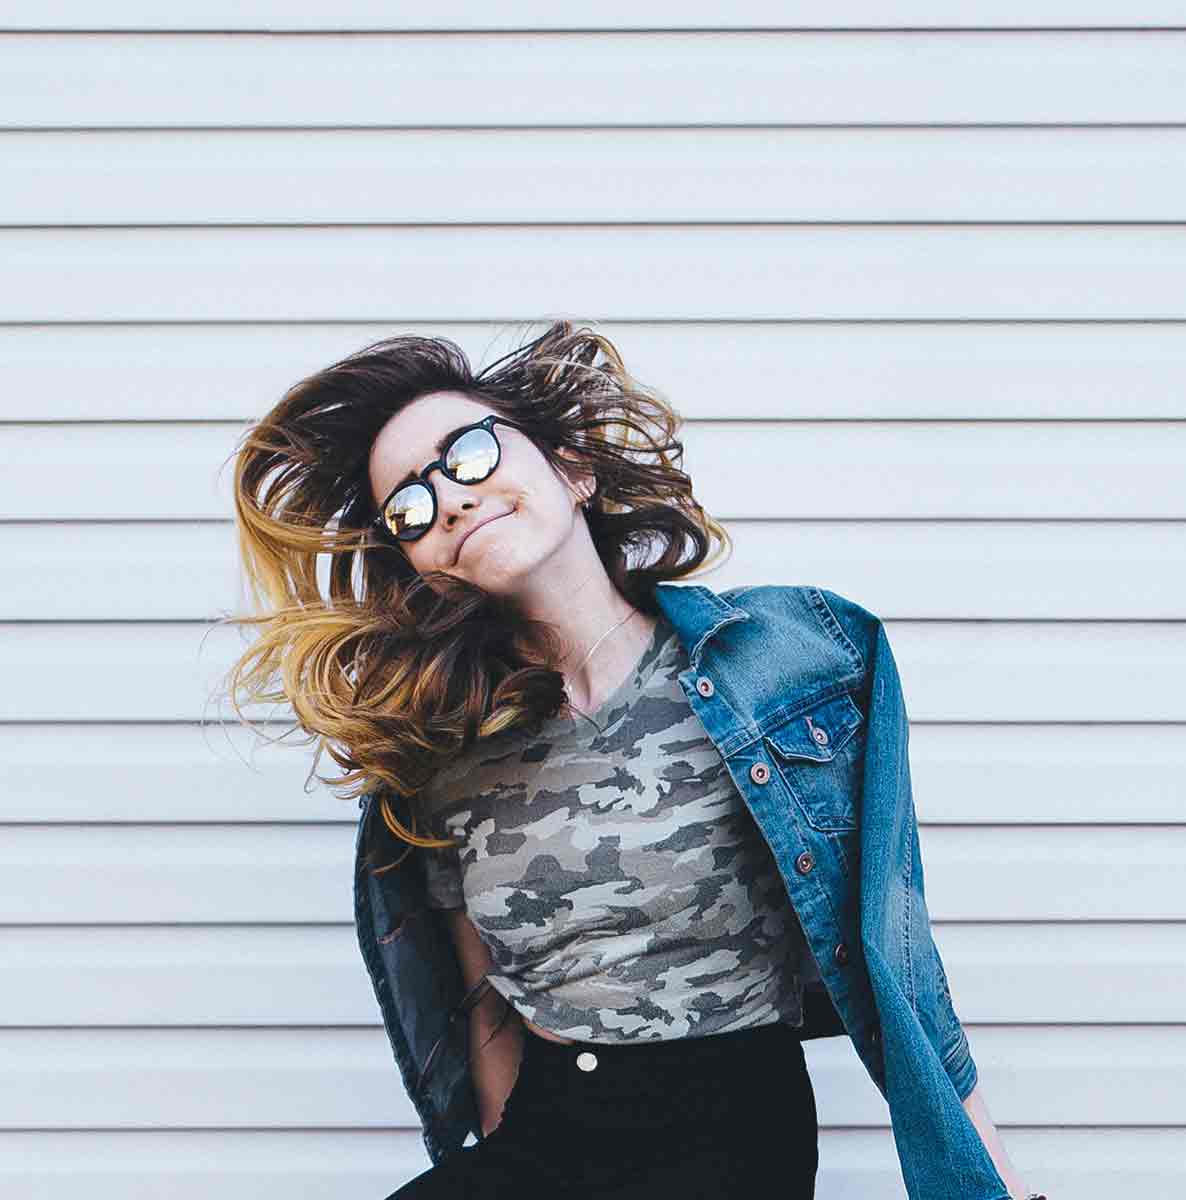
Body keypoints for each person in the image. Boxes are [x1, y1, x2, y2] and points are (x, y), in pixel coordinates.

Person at [223, 321, 1045, 1199]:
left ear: (572, 468)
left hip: (733, 1138)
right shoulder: (439, 758)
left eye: (467, 454)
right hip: (548, 1134)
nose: (448, 500)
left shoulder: (778, 667)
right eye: (411, 509)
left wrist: (992, 1184)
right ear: (423, 565)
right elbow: (483, 1004)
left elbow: (900, 958)